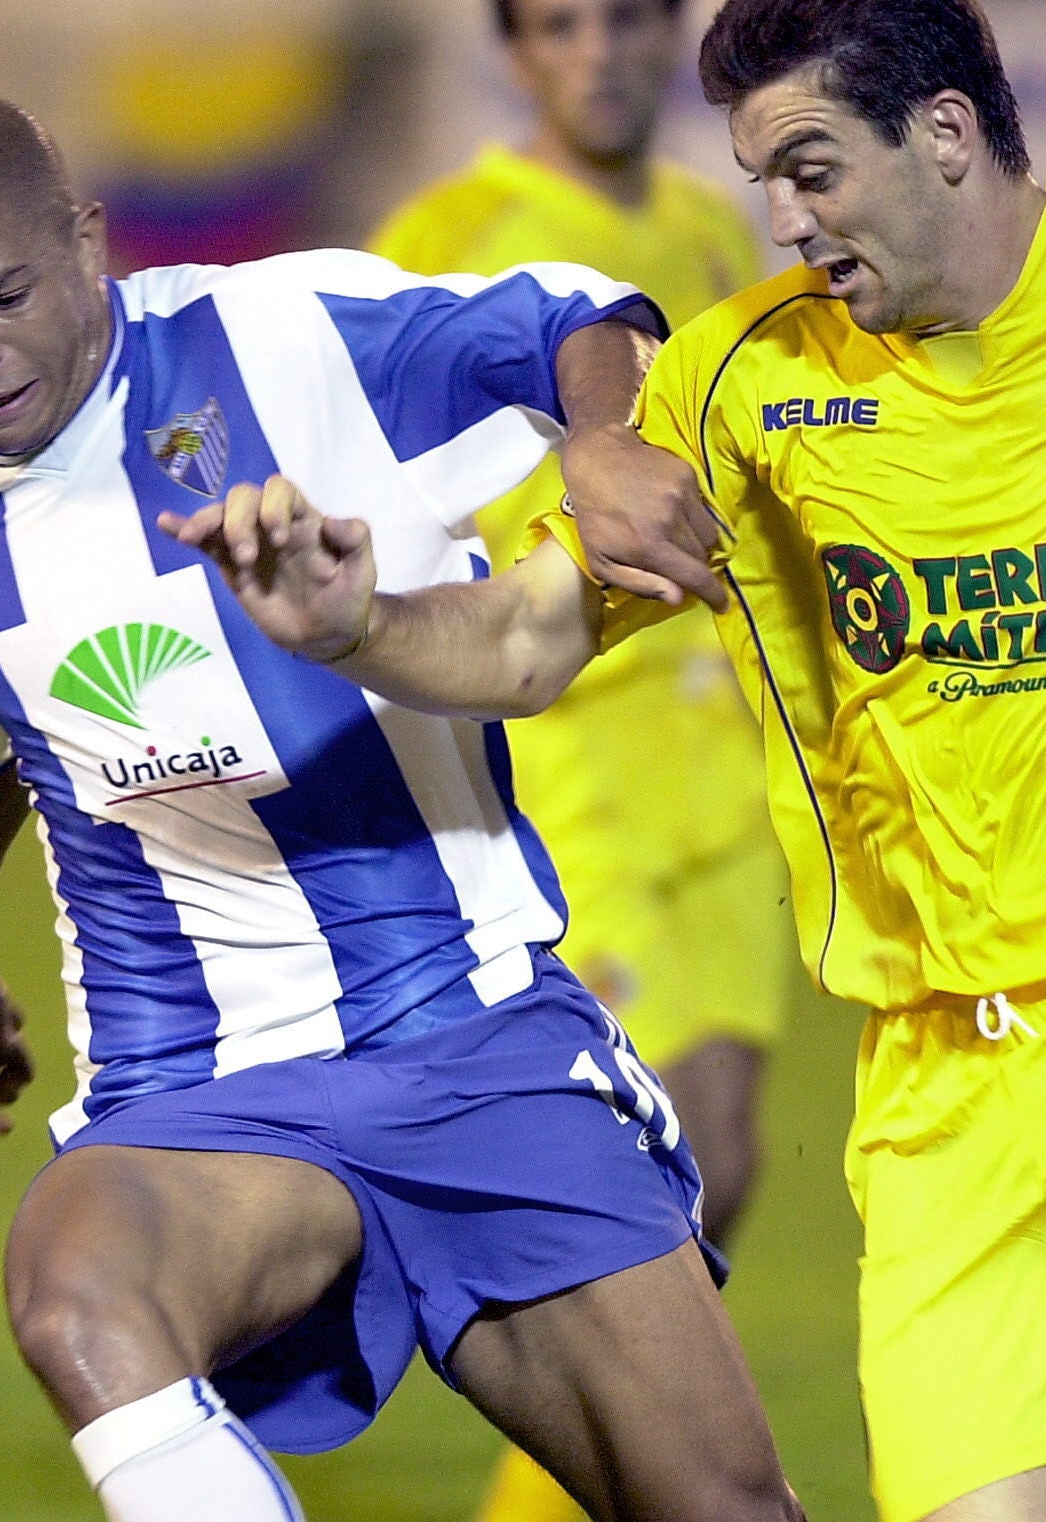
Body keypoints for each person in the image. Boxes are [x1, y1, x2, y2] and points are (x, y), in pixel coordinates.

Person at [163, 2, 1046, 1520]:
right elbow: (527, 642)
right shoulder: (741, 386)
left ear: (943, 130)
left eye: (811, 170)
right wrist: (351, 621)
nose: (787, 221)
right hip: (948, 1069)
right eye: (763, 182)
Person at [0, 95, 803, 1522]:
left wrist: (602, 441)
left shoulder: (284, 338)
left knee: (722, 1507)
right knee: (73, 1284)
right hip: (202, 1093)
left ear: (87, 242)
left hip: (471, 1030)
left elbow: (568, 313)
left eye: (2, 298)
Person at [371, 4, 783, 1514]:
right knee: (630, 1180)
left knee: (720, 1159)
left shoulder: (706, 223)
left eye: (626, 20)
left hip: (729, 773)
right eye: (559, 24)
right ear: (516, 54)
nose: (598, 51)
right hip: (568, 763)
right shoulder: (450, 233)